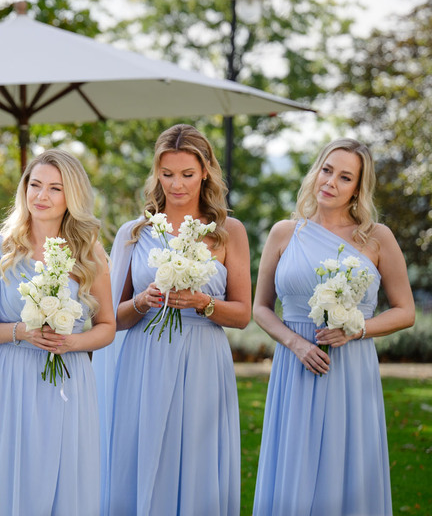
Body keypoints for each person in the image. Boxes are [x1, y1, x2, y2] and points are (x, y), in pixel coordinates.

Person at [251, 138, 414, 516]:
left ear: (358, 189)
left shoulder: (375, 238)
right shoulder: (283, 233)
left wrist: (357, 329)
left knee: (346, 468)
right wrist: (296, 344)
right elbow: (261, 308)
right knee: (295, 466)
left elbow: (406, 311)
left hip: (349, 369)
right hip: (295, 366)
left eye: (345, 177)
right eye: (327, 170)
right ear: (316, 171)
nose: (330, 182)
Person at [95, 123, 251, 515]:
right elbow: (112, 319)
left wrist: (203, 302)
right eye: (167, 175)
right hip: (145, 359)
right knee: (145, 454)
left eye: (186, 174)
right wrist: (144, 302)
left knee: (197, 461)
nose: (176, 185)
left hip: (204, 360)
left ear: (205, 173)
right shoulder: (135, 233)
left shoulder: (228, 232)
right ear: (156, 175)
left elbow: (243, 314)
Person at [0, 149, 115, 515]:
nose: (41, 196)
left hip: (68, 380)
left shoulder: (90, 252)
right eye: (35, 184)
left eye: (55, 188)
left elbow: (107, 327)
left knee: (63, 477)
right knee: (7, 478)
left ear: (71, 196)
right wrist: (20, 332)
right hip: (10, 380)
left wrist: (73, 342)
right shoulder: (0, 247)